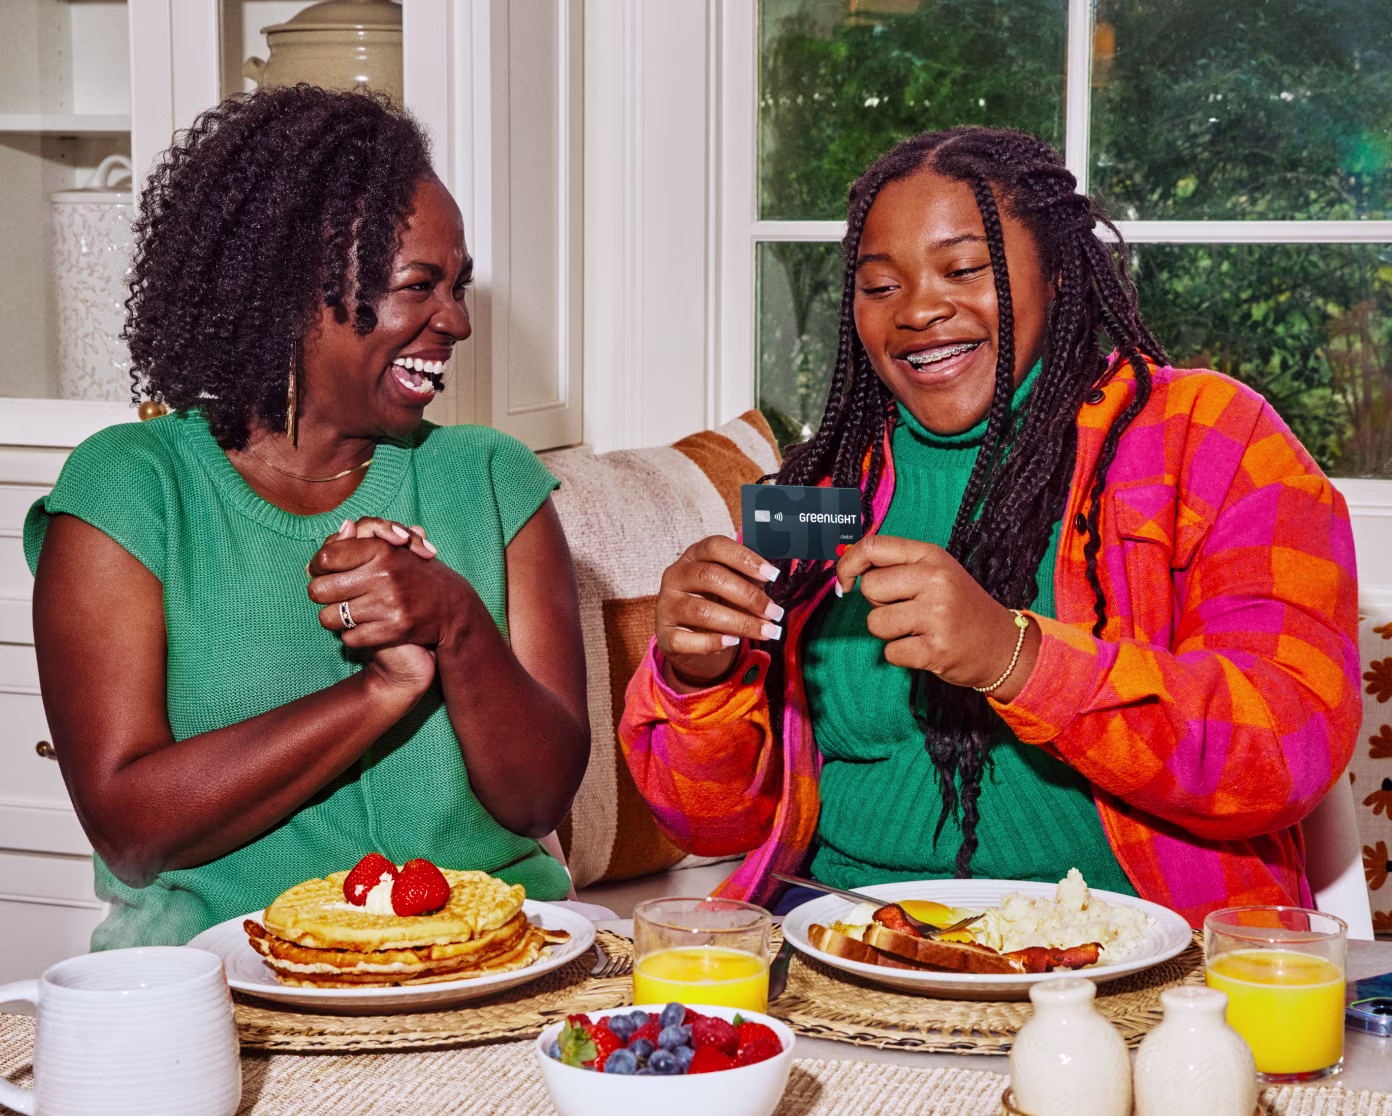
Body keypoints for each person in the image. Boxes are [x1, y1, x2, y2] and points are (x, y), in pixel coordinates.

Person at [619, 127, 1360, 928]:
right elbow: (713, 823)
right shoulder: (822, 486)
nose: (920, 310)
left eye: (966, 269)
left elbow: (1289, 747)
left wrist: (1017, 656)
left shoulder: (1209, 438)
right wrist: (695, 679)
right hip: (843, 944)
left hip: (1131, 959)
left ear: (1060, 271)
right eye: (879, 286)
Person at [25, 86, 589, 949]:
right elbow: (132, 830)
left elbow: (539, 798)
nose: (459, 322)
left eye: (460, 285)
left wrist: (456, 623)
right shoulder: (134, 490)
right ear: (294, 290)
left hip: (489, 968)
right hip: (223, 986)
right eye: (419, 287)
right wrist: (383, 688)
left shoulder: (488, 479)